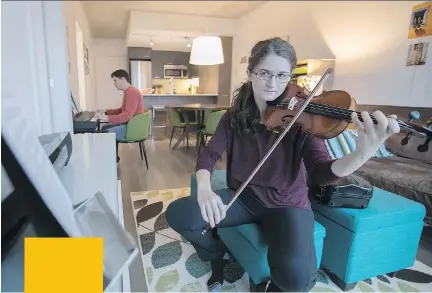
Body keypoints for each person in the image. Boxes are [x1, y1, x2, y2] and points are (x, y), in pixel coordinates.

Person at [165, 37, 400, 292]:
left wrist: (361, 154)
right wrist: (204, 187)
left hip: (288, 203)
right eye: (264, 73)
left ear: (290, 77)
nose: (272, 83)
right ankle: (217, 252)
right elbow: (210, 153)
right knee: (179, 214)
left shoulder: (303, 118)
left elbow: (321, 172)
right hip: (244, 197)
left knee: (297, 279)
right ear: (250, 73)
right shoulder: (233, 116)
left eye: (281, 75)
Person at [97, 69, 144, 162]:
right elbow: (121, 110)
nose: (114, 83)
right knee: (104, 128)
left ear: (123, 79)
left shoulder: (132, 92)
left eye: (115, 80)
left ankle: (110, 161)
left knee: (105, 134)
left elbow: (126, 116)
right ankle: (114, 157)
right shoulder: (128, 91)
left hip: (132, 128)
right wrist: (106, 111)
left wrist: (107, 118)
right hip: (130, 124)